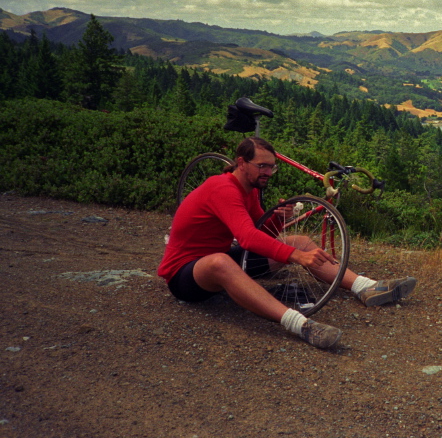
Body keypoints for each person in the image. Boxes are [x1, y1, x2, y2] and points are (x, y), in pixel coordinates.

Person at [158, 137, 416, 349]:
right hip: (185, 276)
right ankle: (299, 324)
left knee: (300, 241)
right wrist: (295, 257)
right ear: (241, 162)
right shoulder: (223, 188)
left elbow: (264, 234)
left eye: (272, 167)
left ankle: (366, 287)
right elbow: (247, 237)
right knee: (221, 262)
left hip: (220, 261)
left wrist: (279, 220)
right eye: (262, 166)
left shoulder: (249, 190)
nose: (268, 172)